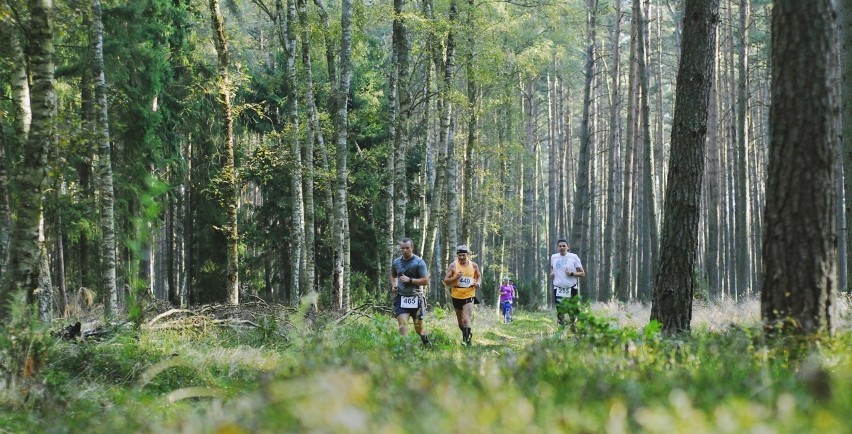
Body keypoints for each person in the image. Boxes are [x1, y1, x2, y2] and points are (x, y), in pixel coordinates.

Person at [390, 238, 431, 346]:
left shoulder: (419, 262)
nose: (405, 250)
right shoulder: (396, 262)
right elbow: (393, 276)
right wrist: (394, 285)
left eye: (407, 248)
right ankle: (406, 352)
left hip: (416, 298)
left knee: (419, 329)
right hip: (401, 298)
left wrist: (410, 280)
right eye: (403, 248)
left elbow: (425, 281)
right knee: (403, 326)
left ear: (412, 248)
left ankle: (425, 341)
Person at [443, 244, 482, 346]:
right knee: (460, 323)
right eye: (459, 255)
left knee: (466, 319)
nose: (461, 257)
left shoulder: (473, 265)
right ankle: (468, 334)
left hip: (469, 294)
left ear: (467, 255)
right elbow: (446, 281)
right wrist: (456, 277)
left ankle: (466, 343)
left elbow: (478, 276)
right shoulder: (453, 265)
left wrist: (478, 283)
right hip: (456, 296)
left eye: (463, 255)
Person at [549, 239, 585, 327]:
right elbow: (552, 269)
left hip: (571, 287)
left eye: (564, 246)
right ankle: (561, 331)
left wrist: (572, 273)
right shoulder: (554, 257)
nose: (562, 247)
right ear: (557, 247)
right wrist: (551, 274)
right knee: (560, 310)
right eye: (560, 246)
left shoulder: (573, 257)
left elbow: (582, 273)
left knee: (572, 309)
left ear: (567, 247)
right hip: (558, 287)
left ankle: (574, 327)